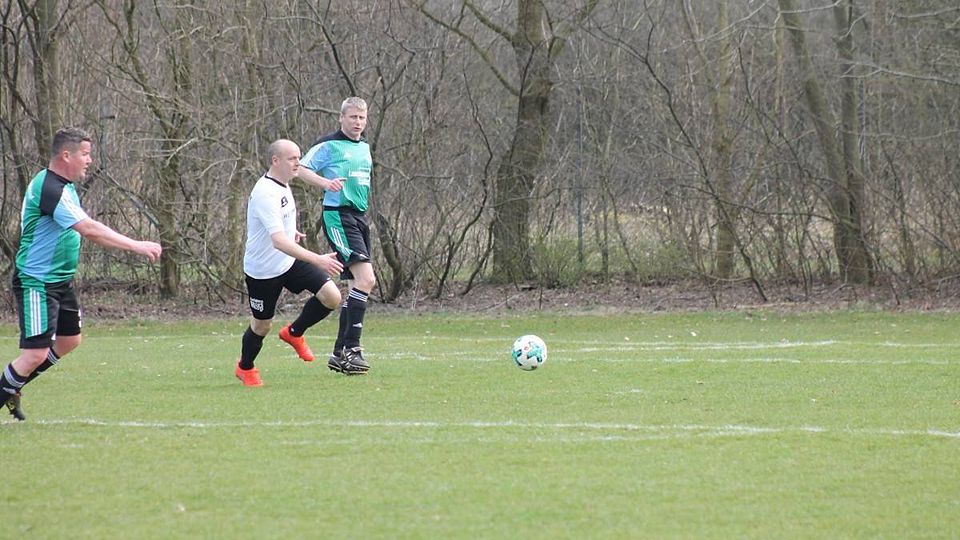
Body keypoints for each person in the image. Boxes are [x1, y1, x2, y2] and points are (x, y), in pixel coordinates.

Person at [0, 127, 162, 421]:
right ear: (66, 155)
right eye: (85, 154)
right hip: (37, 282)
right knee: (34, 354)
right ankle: (7, 388)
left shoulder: (65, 186)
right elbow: (89, 229)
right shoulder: (50, 189)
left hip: (59, 281)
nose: (90, 160)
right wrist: (136, 245)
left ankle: (11, 385)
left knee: (69, 341)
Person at [237, 139, 344, 387]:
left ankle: (293, 333)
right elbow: (277, 242)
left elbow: (278, 227)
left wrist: (290, 230)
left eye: (299, 157)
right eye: (292, 158)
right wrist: (317, 259)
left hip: (288, 261)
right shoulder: (265, 193)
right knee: (262, 325)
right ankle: (245, 367)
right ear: (275, 161)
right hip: (263, 271)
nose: (298, 163)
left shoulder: (283, 184)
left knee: (332, 297)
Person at [299, 97, 375, 375]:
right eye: (353, 117)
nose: (358, 122)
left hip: (358, 217)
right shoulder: (329, 145)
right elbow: (300, 168)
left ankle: (340, 354)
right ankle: (351, 349)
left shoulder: (364, 146)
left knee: (358, 284)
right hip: (338, 216)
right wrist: (325, 183)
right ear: (341, 117)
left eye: (362, 118)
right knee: (366, 279)